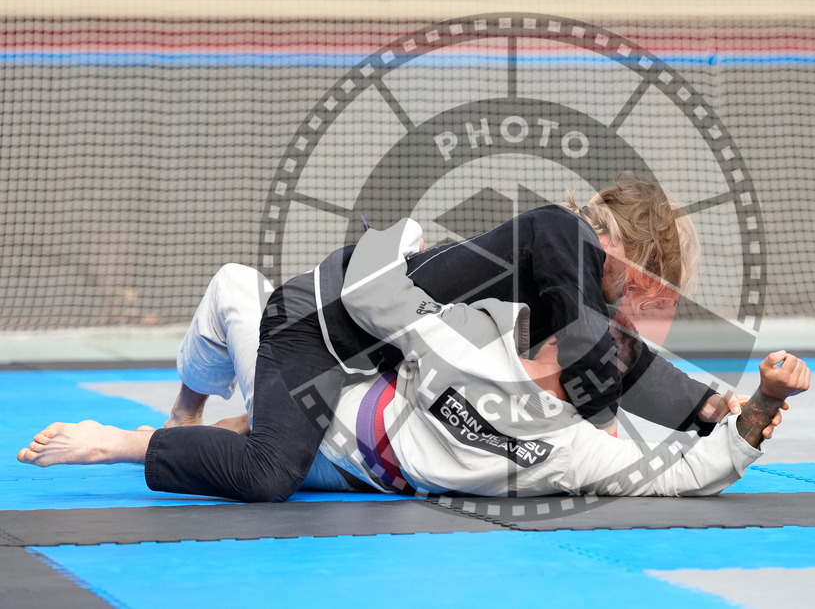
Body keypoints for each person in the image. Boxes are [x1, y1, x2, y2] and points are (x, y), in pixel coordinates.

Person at [19, 174, 737, 502]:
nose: (631, 302)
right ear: (616, 246)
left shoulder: (567, 297)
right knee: (271, 466)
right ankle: (152, 421)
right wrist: (607, 426)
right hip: (318, 328)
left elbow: (614, 360)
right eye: (640, 282)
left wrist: (711, 408)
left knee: (309, 433)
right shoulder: (559, 240)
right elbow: (593, 346)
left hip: (371, 370)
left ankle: (185, 408)